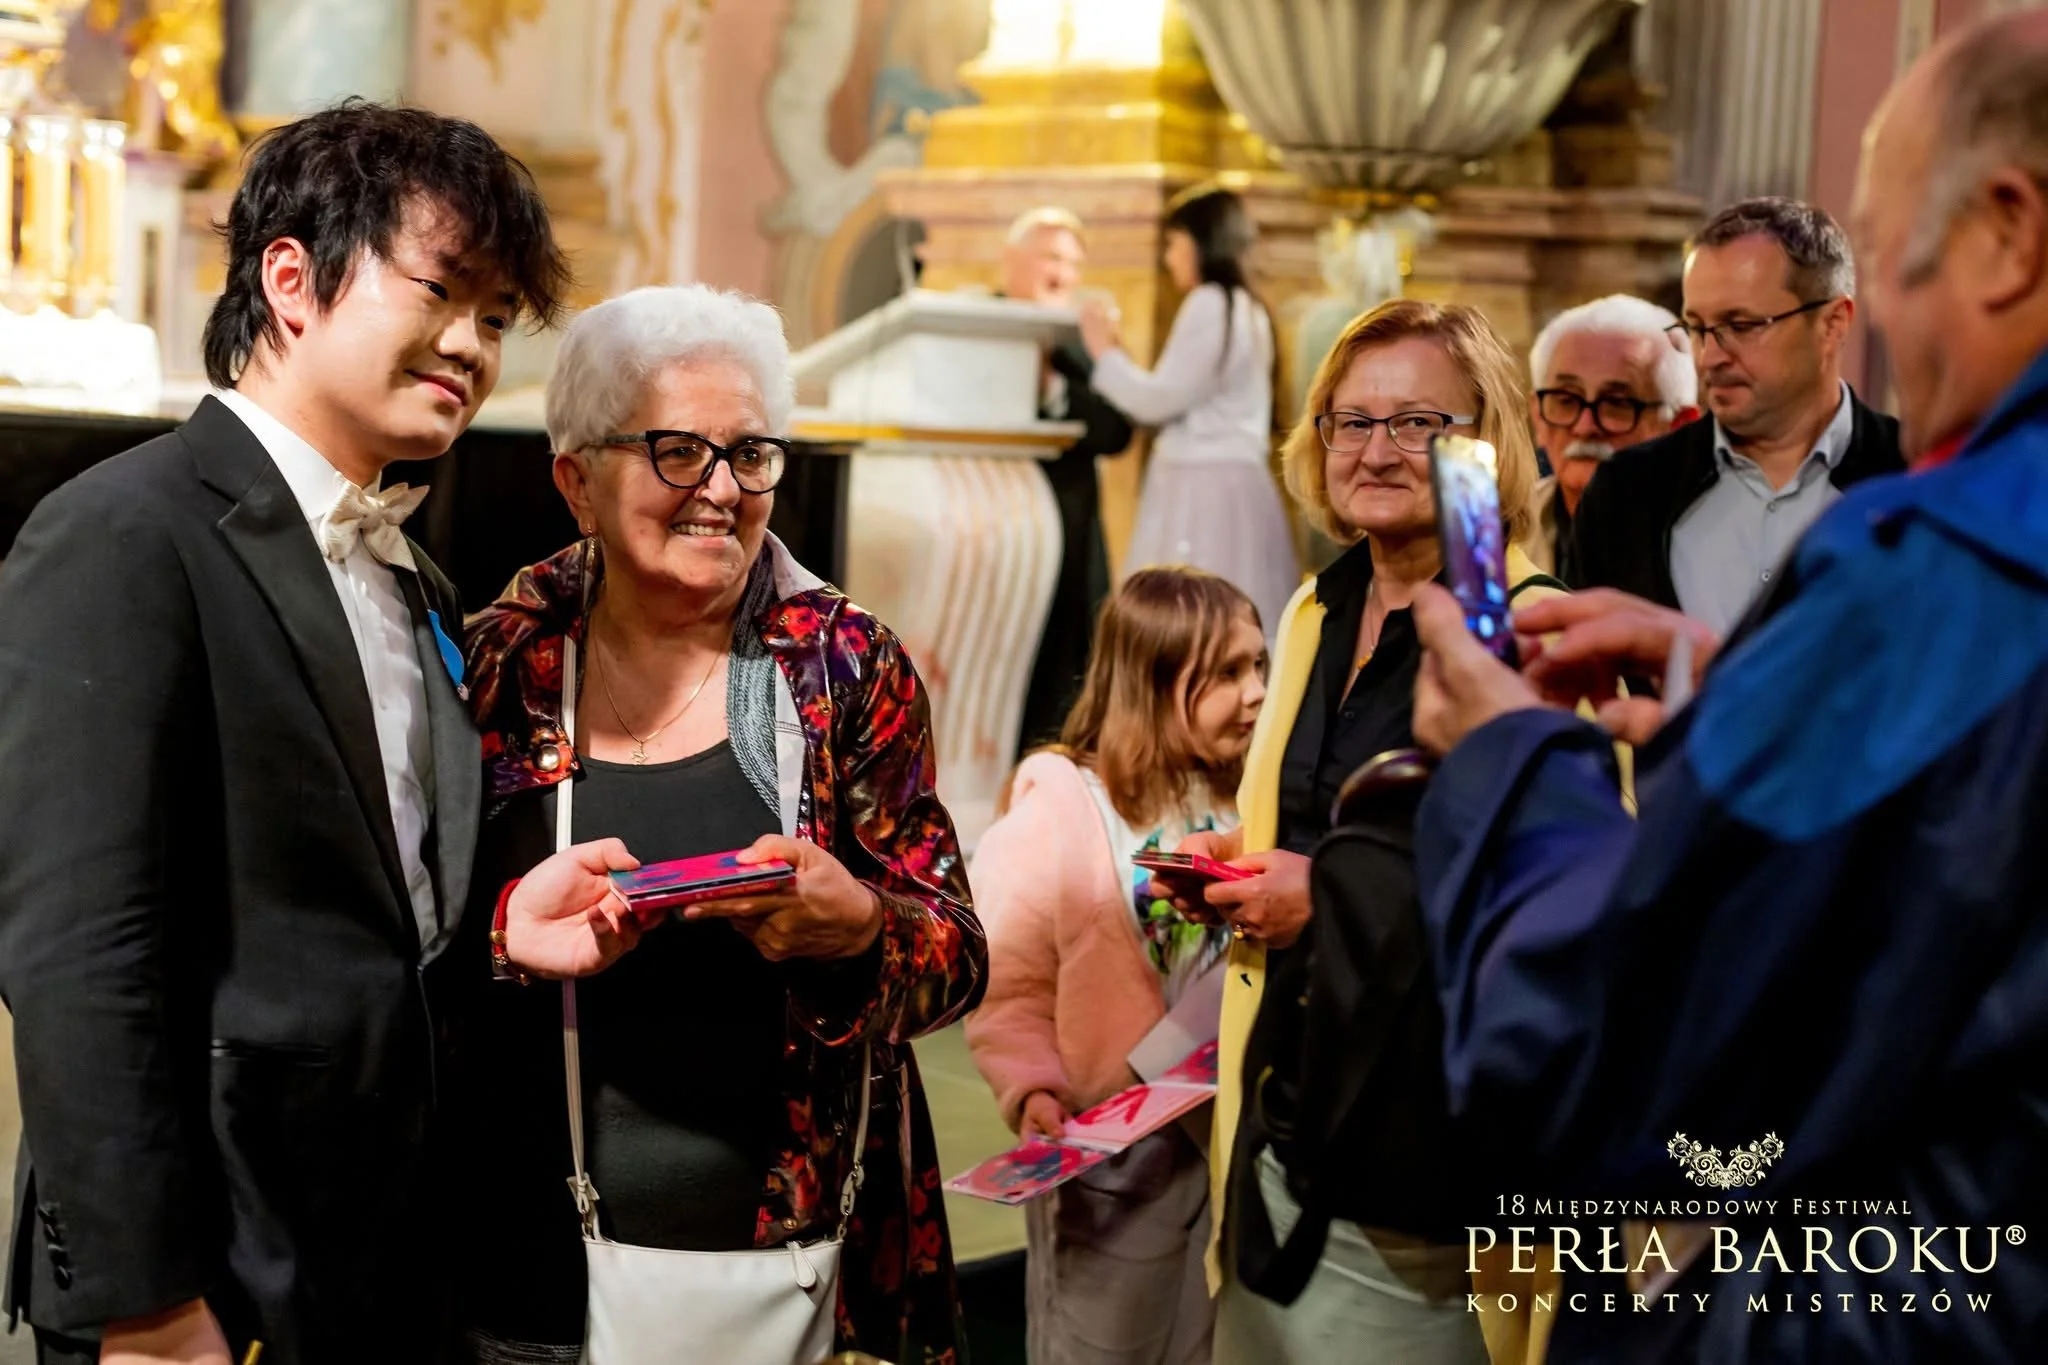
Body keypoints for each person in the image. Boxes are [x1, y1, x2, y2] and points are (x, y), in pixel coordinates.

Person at [1406, 11, 2048, 1359]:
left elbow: (1622, 1052)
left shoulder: (1931, 566)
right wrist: (1728, 707)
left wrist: (1512, 760)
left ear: (2006, 233)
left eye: (1905, 252)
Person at [0, 103, 575, 1365]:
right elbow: (77, 955)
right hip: (210, 1268)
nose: (471, 347)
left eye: (495, 319)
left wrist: (500, 926)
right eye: (442, 291)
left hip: (382, 1253)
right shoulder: (125, 537)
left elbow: (374, 895)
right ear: (292, 280)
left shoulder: (413, 572)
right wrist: (147, 1307)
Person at [447, 284, 988, 1364]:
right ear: (577, 481)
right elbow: (411, 946)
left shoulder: (843, 667)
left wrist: (863, 932)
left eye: (750, 453)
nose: (723, 490)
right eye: (678, 452)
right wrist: (505, 936)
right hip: (528, 1263)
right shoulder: (495, 666)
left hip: (786, 1267)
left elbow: (957, 955)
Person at [1169, 300, 1558, 1364]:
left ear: (1483, 443)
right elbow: (1301, 825)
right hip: (1276, 1118)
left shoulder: (1526, 629)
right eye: (1349, 421)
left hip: (1419, 1155)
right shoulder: (1312, 610)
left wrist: (1322, 898)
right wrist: (1239, 862)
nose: (1376, 449)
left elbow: (1551, 911)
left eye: (1418, 424)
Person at [967, 566, 1268, 1365]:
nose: (1257, 693)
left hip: (1218, 1138)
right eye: (1229, 673)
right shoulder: (1065, 807)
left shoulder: (1252, 796)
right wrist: (1030, 1084)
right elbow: (1010, 978)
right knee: (1101, 1344)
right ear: (1155, 680)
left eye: (1260, 666)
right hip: (1109, 1159)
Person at [1570, 198, 1903, 635]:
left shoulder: (1917, 477)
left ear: (1832, 324)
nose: (1709, 357)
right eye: (1696, 327)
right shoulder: (1624, 494)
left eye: (1741, 326)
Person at [1079, 185, 1300, 636]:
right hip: (1233, 481)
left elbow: (1157, 401)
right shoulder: (1247, 308)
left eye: (1173, 243)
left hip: (1203, 488)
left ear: (1202, 243)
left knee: (1189, 621)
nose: (1168, 258)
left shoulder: (1210, 303)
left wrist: (1102, 353)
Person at [1004, 207, 1138, 754]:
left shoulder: (1083, 345)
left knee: (1068, 672)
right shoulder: (967, 326)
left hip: (1072, 540)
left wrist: (1055, 388)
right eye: (1053, 258)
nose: (1065, 275)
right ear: (1012, 262)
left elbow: (1116, 429)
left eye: (1074, 264)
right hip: (997, 531)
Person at [1524, 294, 1698, 583]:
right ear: (1538, 418)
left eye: (1616, 403)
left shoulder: (1724, 548)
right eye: (1566, 399)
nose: (1585, 426)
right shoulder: (1490, 536)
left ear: (1681, 426)